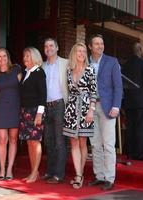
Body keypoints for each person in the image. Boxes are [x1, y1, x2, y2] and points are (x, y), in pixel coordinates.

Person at [88, 34, 123, 191]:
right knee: (95, 144)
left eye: (101, 43)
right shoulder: (85, 62)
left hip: (107, 107)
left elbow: (118, 86)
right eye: (96, 44)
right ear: (90, 46)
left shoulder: (112, 61)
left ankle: (109, 178)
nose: (100, 46)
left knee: (108, 144)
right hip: (89, 108)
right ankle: (99, 176)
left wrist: (116, 106)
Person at [63, 42, 97, 189]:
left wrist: (91, 110)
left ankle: (80, 174)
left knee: (83, 142)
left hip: (85, 108)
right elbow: (68, 91)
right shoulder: (69, 70)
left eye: (84, 51)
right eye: (79, 51)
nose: (82, 54)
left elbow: (94, 93)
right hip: (71, 108)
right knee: (73, 142)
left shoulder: (90, 70)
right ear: (74, 53)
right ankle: (78, 174)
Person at [0, 47, 22, 180]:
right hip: (1, 109)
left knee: (13, 139)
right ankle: (2, 169)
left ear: (8, 57)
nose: (2, 59)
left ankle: (9, 169)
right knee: (2, 140)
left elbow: (24, 88)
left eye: (4, 56)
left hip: (14, 107)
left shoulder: (16, 70)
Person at [41, 37, 69, 184]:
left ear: (57, 48)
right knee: (49, 140)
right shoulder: (42, 66)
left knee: (59, 141)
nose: (49, 48)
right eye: (46, 46)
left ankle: (59, 174)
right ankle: (50, 171)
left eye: (51, 45)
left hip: (60, 105)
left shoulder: (65, 63)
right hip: (46, 106)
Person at [122, 42, 143, 161]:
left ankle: (130, 153)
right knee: (141, 127)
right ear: (140, 50)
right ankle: (139, 154)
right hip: (142, 101)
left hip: (129, 102)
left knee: (131, 127)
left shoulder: (125, 65)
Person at [19, 47, 46, 183]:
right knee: (29, 142)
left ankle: (35, 173)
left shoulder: (39, 72)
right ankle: (33, 172)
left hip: (36, 112)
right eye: (24, 56)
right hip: (25, 111)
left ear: (35, 57)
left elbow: (43, 95)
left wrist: (39, 114)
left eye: (28, 56)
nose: (25, 59)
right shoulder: (25, 73)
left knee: (35, 141)